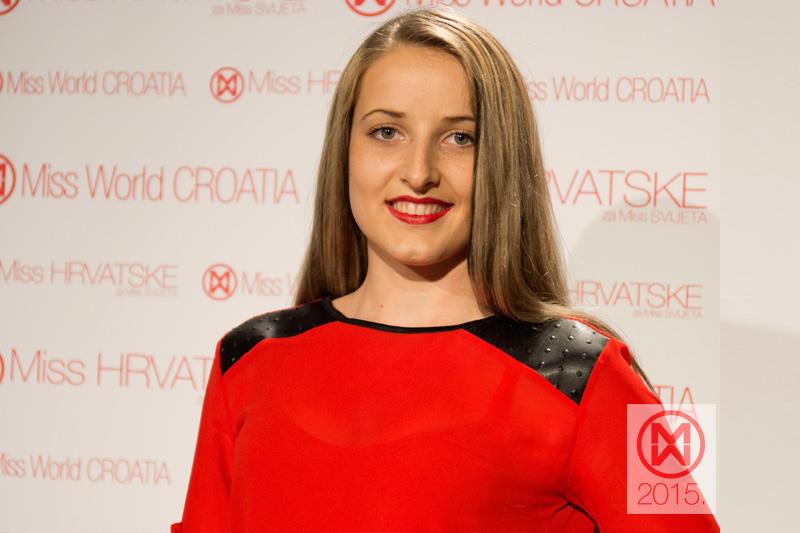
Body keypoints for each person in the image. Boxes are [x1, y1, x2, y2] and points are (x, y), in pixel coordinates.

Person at [172, 7, 720, 533]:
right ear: (344, 149)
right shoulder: (245, 358)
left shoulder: (587, 371)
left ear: (502, 160)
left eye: (461, 137)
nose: (418, 173)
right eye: (387, 132)